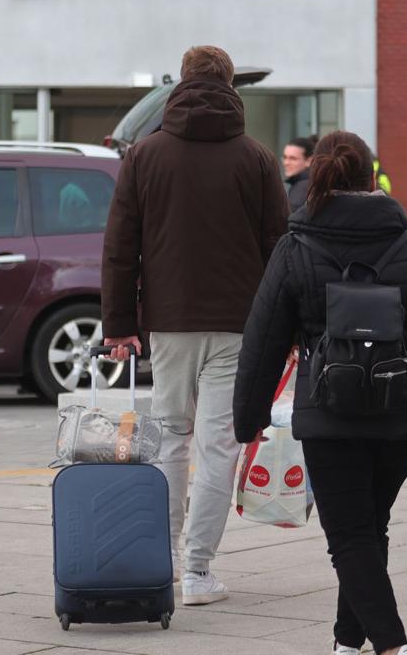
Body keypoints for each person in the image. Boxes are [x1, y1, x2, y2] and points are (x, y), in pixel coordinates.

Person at [234, 131, 407, 655]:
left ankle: (393, 646)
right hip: (401, 415)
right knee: (368, 527)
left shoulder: (293, 248)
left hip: (328, 414)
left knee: (350, 536)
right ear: (372, 179)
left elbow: (263, 340)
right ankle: (346, 641)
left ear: (317, 178)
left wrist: (247, 419)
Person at [102, 45, 289, 605]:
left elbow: (120, 246)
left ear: (182, 83)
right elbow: (280, 250)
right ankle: (199, 571)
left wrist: (119, 324)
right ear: (230, 86)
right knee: (219, 445)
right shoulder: (256, 157)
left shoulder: (144, 154)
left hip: (170, 323)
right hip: (239, 324)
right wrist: (289, 328)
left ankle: (160, 557)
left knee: (170, 440)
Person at [284, 136, 316, 213]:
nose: (286, 163)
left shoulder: (302, 188)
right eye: (285, 157)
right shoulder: (306, 183)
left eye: (293, 158)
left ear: (309, 161)